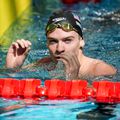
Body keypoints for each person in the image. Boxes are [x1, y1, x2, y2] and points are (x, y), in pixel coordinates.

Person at [5, 10, 117, 80]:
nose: (59, 49)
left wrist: (73, 79)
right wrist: (12, 68)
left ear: (81, 41)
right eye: (53, 41)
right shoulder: (45, 64)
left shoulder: (100, 70)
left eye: (67, 40)